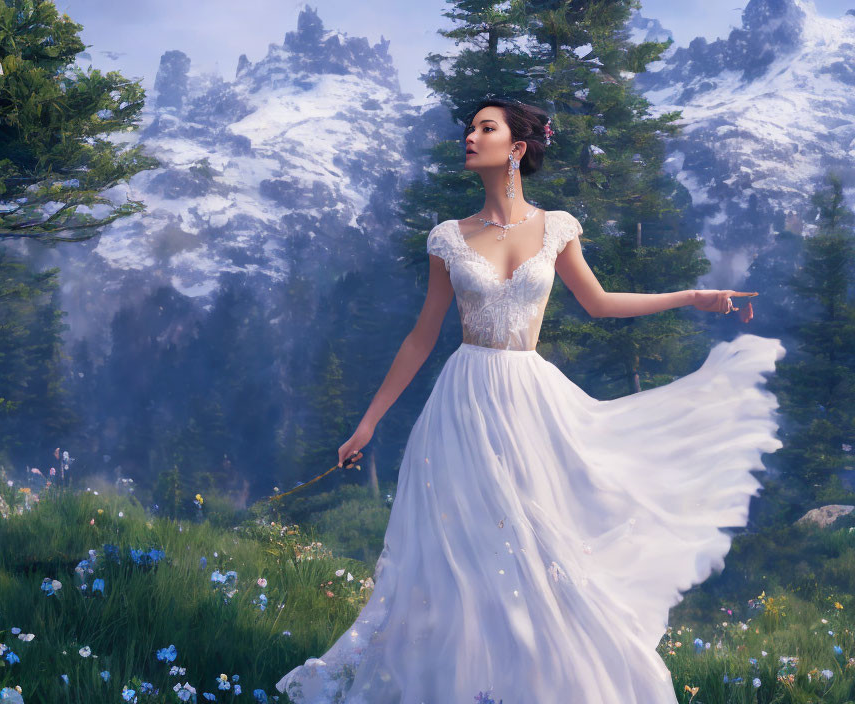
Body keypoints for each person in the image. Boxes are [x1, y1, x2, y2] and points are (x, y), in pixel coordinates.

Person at [276, 98, 784, 703]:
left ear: (517, 148)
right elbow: (421, 337)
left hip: (528, 400)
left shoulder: (558, 226)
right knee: (461, 550)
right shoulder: (448, 237)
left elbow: (598, 303)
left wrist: (691, 296)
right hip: (461, 404)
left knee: (538, 544)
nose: (470, 137)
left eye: (485, 128)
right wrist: (368, 423)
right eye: (470, 128)